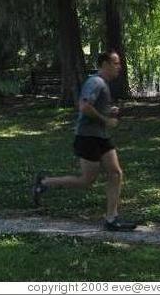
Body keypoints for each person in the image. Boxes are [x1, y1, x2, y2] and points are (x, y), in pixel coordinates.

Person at [32, 50, 137, 232]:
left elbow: (93, 106)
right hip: (88, 137)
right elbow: (84, 106)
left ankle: (111, 219)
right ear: (104, 64)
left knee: (116, 173)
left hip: (101, 137)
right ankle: (44, 183)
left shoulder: (102, 83)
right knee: (87, 181)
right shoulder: (95, 82)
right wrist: (106, 120)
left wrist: (107, 110)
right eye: (116, 63)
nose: (119, 67)